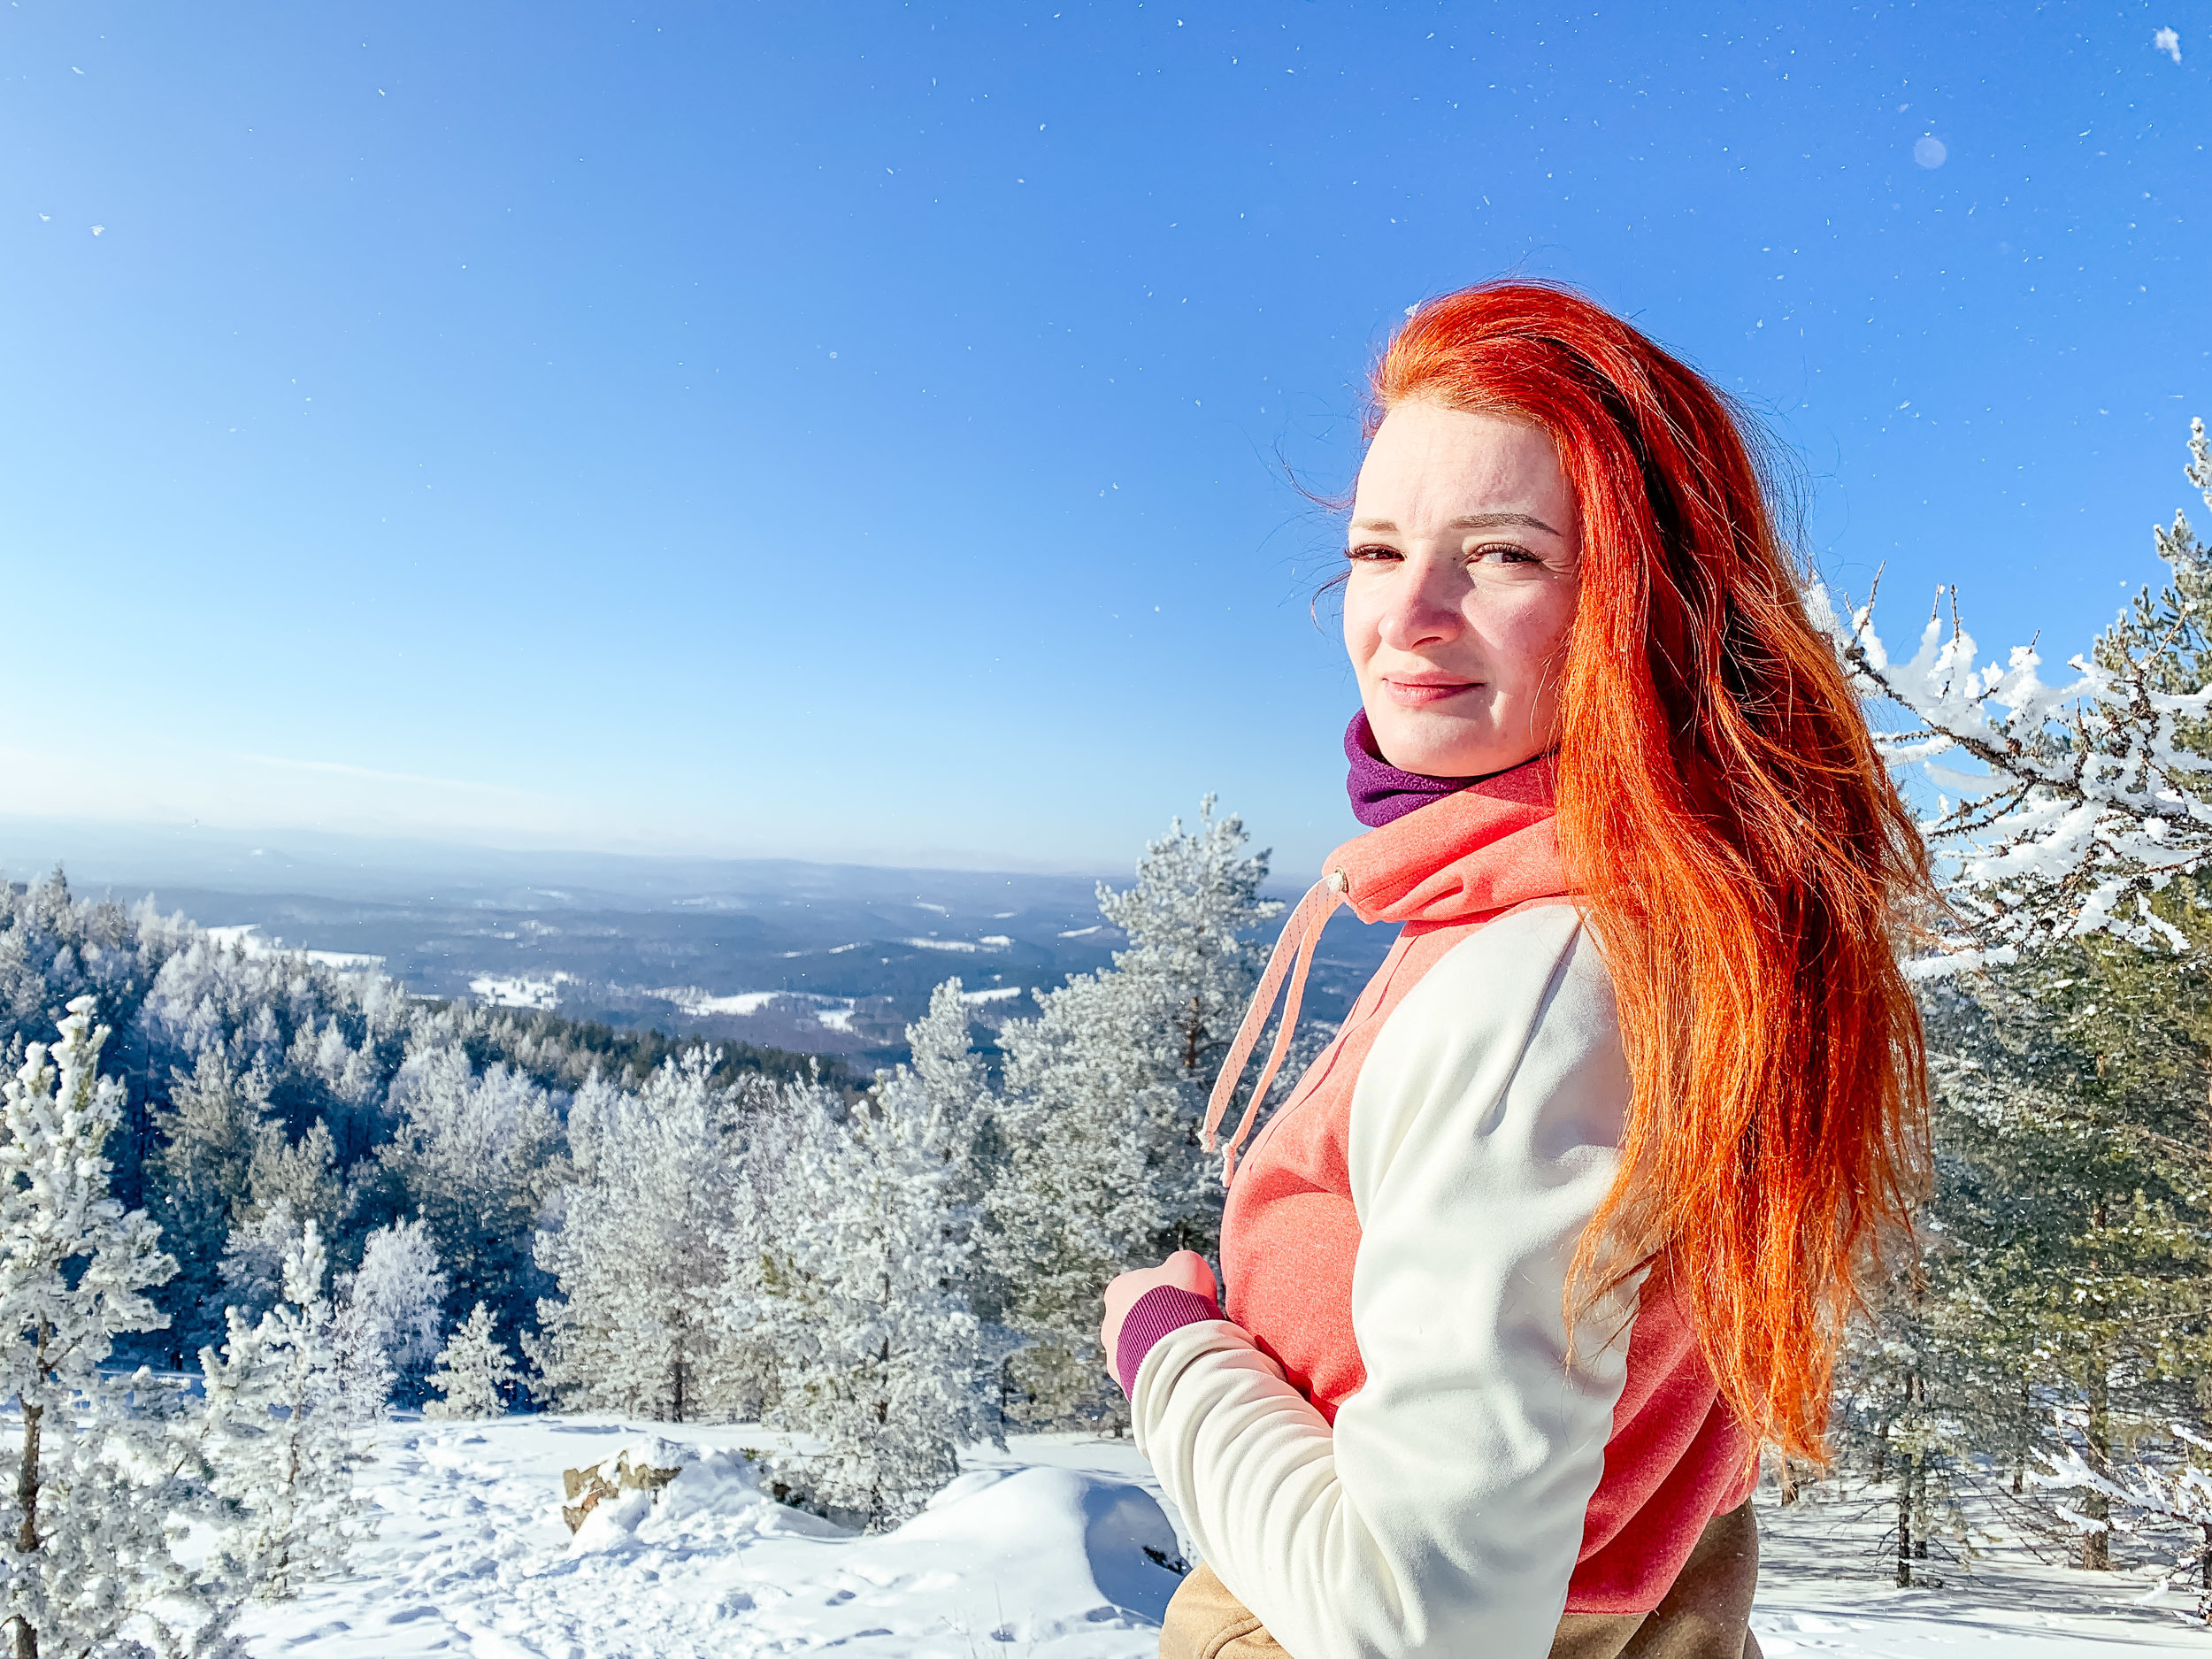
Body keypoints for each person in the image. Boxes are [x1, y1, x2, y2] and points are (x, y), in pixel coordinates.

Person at [1099, 281, 1931, 1659]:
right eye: (1376, 552)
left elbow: (1426, 1622)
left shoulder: (1543, 986)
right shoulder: (1684, 913)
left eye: (1502, 555)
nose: (1407, 615)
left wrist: (1168, 1351)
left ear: (1644, 604)